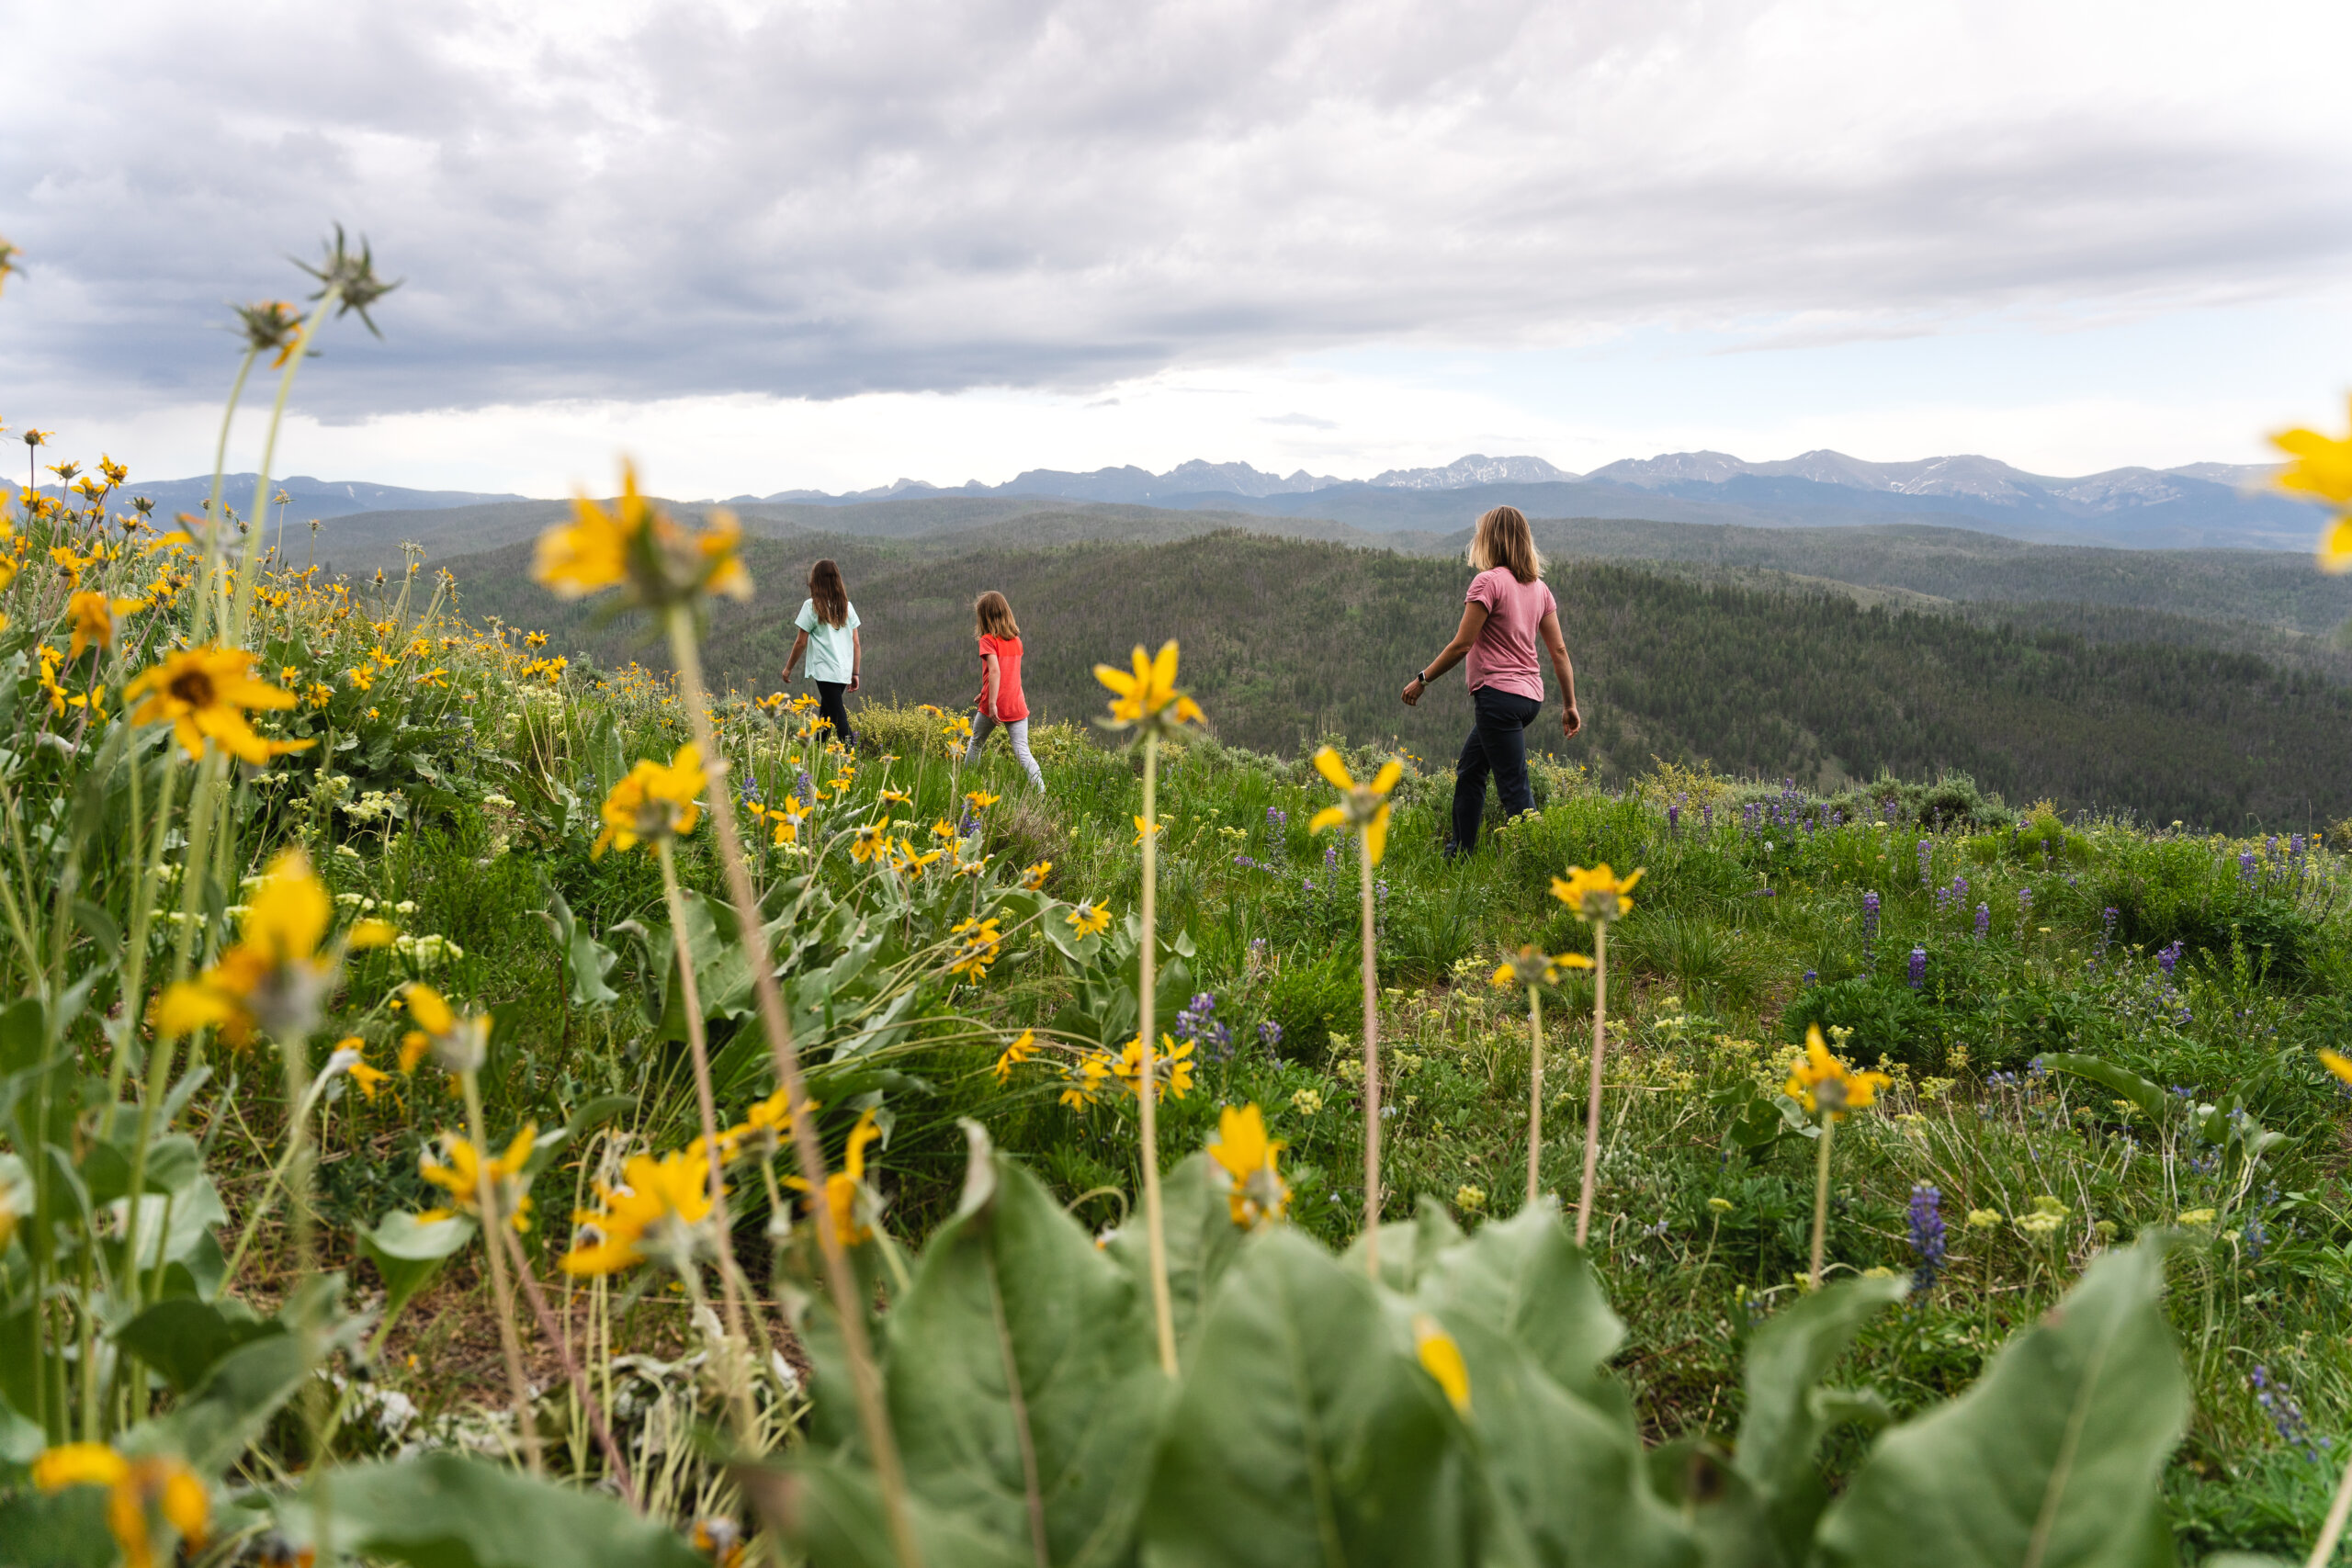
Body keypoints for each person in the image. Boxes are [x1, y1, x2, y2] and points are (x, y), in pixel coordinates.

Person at [1401, 505, 1580, 854]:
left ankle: (1541, 864)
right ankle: (1459, 853)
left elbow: (1461, 645)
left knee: (1514, 788)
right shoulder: (1539, 588)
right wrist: (1570, 705)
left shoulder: (1488, 582)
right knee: (1471, 770)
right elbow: (1558, 650)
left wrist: (1422, 679)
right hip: (1529, 699)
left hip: (1497, 698)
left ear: (1490, 539)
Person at [962, 590, 1045, 790]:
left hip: (995, 704)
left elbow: (996, 671)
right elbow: (1009, 674)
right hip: (1017, 703)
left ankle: (966, 783)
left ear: (984, 617)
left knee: (976, 742)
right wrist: (984, 691)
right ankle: (1041, 790)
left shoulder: (988, 641)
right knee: (1022, 750)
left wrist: (991, 703)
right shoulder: (1016, 641)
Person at [785, 558, 860, 748]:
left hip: (825, 670)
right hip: (842, 670)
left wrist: (788, 669)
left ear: (815, 581)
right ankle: (818, 752)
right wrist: (855, 673)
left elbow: (801, 642)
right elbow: (856, 643)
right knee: (827, 714)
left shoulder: (812, 606)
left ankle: (854, 758)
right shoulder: (846, 607)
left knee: (838, 716)